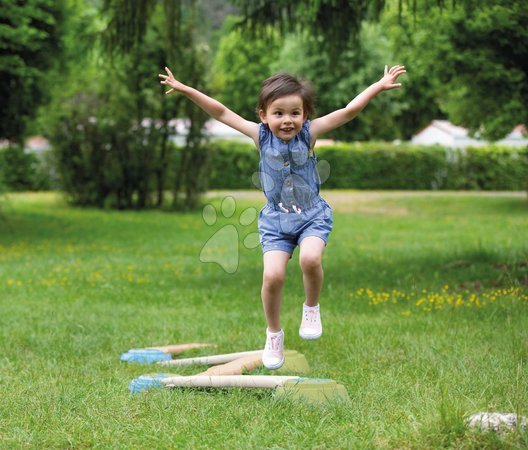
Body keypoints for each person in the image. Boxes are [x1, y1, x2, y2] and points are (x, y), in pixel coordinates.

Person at [159, 65, 406, 369]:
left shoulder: (309, 133)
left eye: (295, 113)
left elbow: (348, 111)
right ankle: (274, 334)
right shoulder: (259, 135)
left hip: (312, 216)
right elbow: (221, 112)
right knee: (272, 277)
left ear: (305, 115)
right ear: (263, 114)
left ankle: (311, 307)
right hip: (275, 222)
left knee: (310, 260)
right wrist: (186, 90)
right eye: (278, 113)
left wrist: (378, 86)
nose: (287, 120)